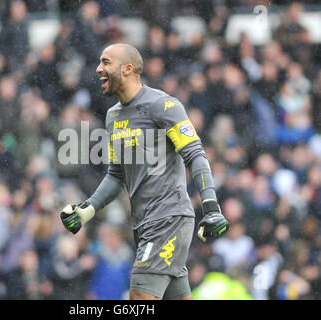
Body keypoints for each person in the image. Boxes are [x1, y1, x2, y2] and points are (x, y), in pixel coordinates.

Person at [60, 43, 229, 300]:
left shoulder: (163, 106)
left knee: (139, 296)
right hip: (143, 223)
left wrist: (211, 207)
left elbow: (195, 154)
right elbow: (116, 174)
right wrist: (86, 211)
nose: (98, 69)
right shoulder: (113, 116)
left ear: (128, 69)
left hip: (167, 217)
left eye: (106, 62)